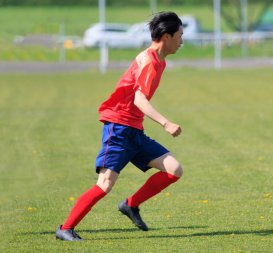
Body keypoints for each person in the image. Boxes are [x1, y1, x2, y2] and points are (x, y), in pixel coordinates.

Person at [55, 11, 184, 241]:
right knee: (104, 184)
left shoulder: (157, 60)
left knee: (174, 169)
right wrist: (166, 122)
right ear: (166, 36)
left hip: (134, 129)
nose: (181, 41)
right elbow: (139, 100)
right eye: (179, 36)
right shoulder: (150, 63)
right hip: (119, 127)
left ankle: (131, 205)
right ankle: (66, 228)